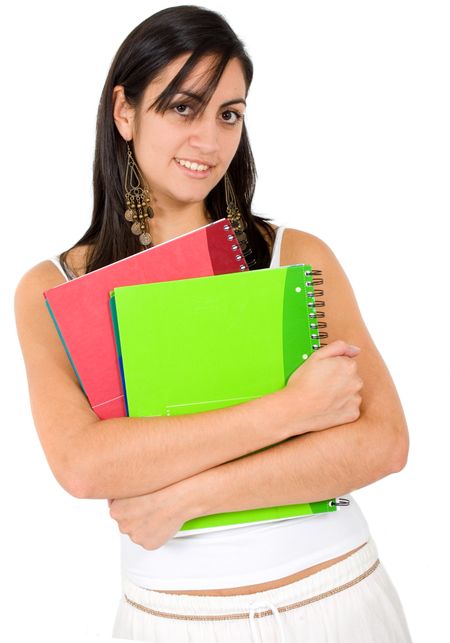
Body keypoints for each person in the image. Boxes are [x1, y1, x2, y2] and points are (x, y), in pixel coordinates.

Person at [14, 5, 413, 642]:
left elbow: (383, 443)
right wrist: (294, 411)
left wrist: (181, 497)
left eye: (229, 113)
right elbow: (86, 466)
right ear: (125, 112)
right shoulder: (54, 289)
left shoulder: (297, 256)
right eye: (182, 107)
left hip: (338, 601)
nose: (209, 139)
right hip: (175, 621)